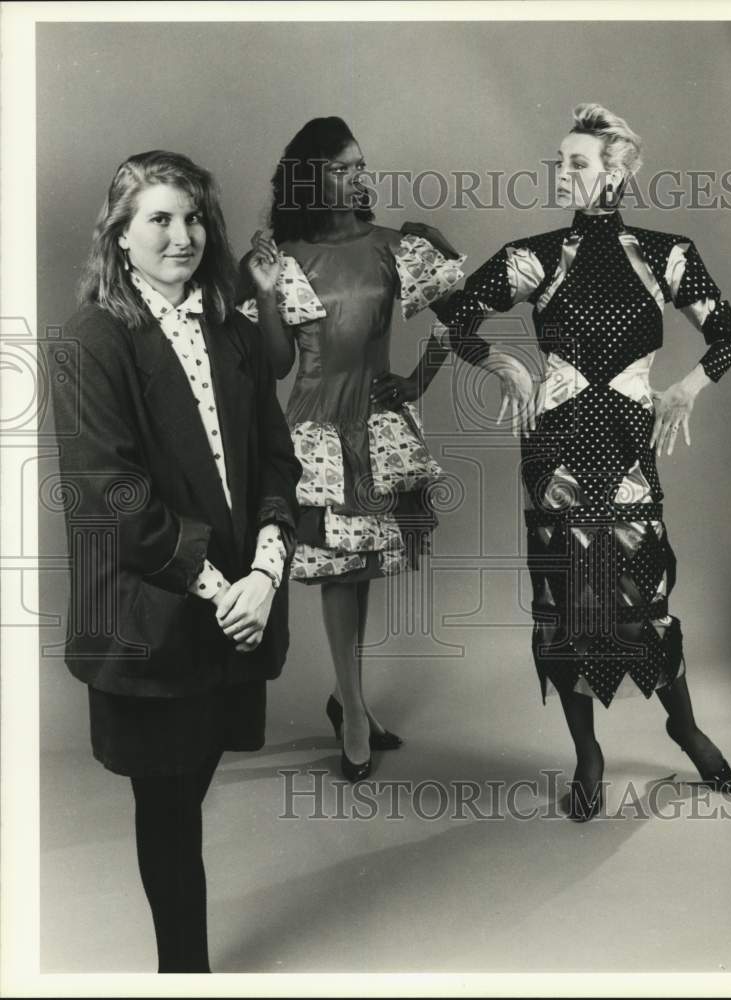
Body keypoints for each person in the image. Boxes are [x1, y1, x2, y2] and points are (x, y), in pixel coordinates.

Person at [432, 103, 731, 820]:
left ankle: (682, 724)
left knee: (641, 594)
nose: (560, 174)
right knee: (567, 603)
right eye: (559, 162)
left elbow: (725, 334)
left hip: (628, 442)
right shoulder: (534, 254)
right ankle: (587, 754)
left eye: (575, 162)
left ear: (616, 172)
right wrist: (503, 365)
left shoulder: (666, 252)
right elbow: (456, 317)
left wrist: (684, 391)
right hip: (555, 449)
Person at [50, 150, 301, 971]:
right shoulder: (93, 341)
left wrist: (265, 575)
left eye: (193, 218)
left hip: (235, 612)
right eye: (159, 218)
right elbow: (109, 497)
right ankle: (183, 976)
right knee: (167, 809)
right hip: (151, 620)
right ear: (120, 236)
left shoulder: (229, 331)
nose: (182, 235)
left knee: (188, 789)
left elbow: (275, 461)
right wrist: (221, 584)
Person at [236, 116, 525, 781]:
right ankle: (356, 713)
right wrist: (262, 289)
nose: (359, 178)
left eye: (360, 166)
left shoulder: (396, 247)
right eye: (343, 167)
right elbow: (277, 365)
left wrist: (418, 379)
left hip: (375, 423)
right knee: (341, 574)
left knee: (358, 571)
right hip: (315, 431)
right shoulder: (286, 257)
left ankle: (348, 698)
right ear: (311, 177)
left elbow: (458, 313)